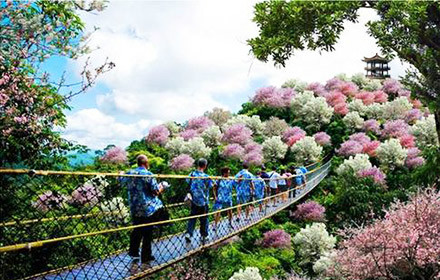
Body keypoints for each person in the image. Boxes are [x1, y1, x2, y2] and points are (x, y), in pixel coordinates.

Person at [122, 154, 166, 263]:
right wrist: (162, 187)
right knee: (147, 232)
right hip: (147, 209)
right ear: (146, 163)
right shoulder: (148, 174)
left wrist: (120, 173)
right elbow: (155, 192)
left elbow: (121, 180)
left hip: (134, 207)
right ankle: (146, 256)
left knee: (137, 230)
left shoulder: (129, 173)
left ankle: (134, 253)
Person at [185, 158, 213, 244]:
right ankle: (203, 235)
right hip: (203, 201)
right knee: (204, 219)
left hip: (194, 200)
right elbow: (210, 186)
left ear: (198, 165)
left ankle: (189, 234)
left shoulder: (192, 174)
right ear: (205, 166)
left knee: (192, 218)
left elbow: (187, 181)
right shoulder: (206, 177)